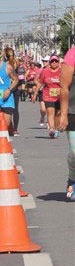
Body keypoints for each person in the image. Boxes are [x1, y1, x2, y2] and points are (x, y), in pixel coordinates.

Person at [58, 44, 75, 199]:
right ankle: (72, 177)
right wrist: (63, 114)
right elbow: (64, 87)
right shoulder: (72, 55)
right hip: (72, 111)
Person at [36, 54, 62, 138]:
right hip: (48, 95)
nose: (54, 63)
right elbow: (40, 82)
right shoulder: (45, 71)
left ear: (58, 62)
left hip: (59, 96)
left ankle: (56, 129)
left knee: (58, 114)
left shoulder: (62, 71)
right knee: (50, 112)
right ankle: (51, 129)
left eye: (56, 61)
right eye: (52, 61)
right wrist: (35, 94)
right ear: (50, 62)